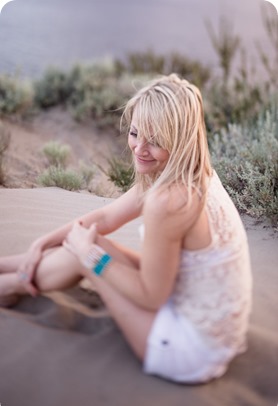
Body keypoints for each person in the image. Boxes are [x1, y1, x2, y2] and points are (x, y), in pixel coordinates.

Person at [0, 74, 253, 383]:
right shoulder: (188, 171)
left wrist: (89, 255)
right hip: (194, 305)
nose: (139, 149)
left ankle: (12, 286)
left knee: (88, 252)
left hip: (190, 349)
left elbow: (151, 297)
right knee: (89, 242)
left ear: (180, 139)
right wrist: (41, 242)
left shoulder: (172, 200)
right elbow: (105, 219)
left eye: (156, 140)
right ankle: (11, 271)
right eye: (135, 133)